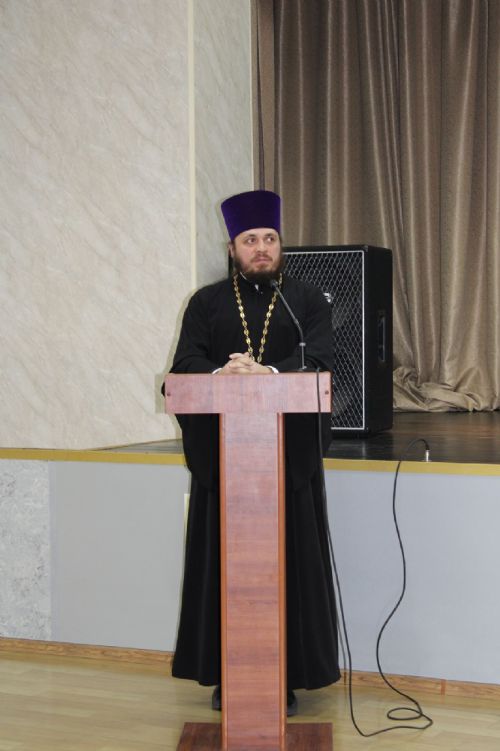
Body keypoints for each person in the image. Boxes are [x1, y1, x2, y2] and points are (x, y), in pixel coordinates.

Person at [169, 189, 340, 716]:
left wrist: (267, 373)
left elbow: (320, 361)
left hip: (287, 464)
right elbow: (184, 366)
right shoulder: (206, 303)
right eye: (250, 240)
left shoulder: (306, 301)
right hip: (226, 465)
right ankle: (228, 677)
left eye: (269, 239)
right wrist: (224, 373)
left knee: (289, 569)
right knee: (224, 569)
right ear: (232, 248)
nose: (261, 248)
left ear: (280, 245)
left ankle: (286, 677)